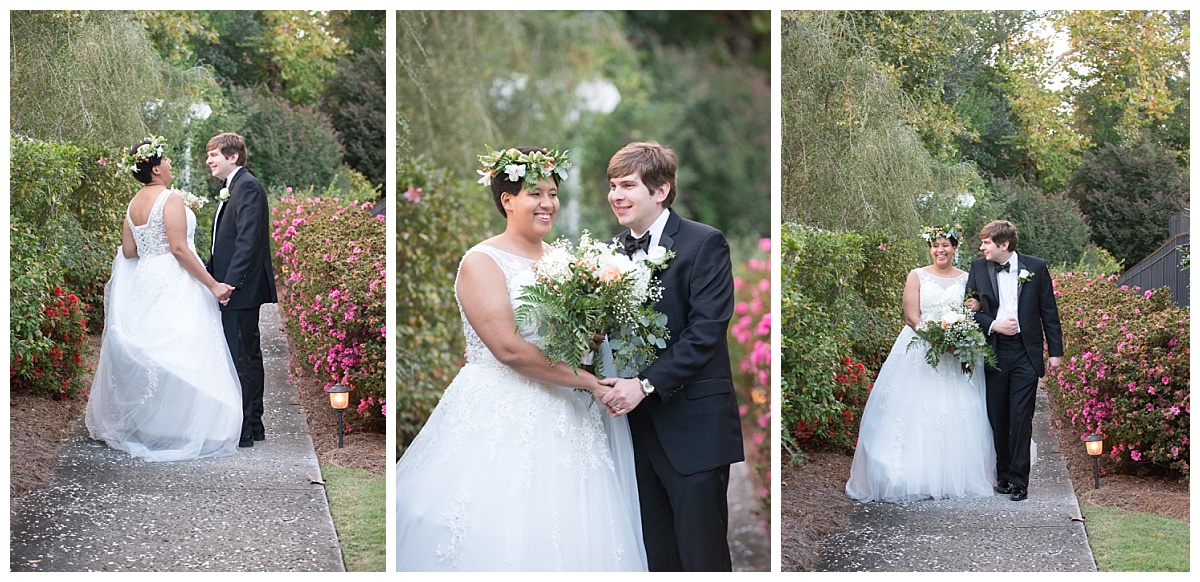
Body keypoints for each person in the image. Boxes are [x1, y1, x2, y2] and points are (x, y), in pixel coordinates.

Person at [394, 146, 647, 571]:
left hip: (567, 416)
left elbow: (570, 339)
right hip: (500, 410)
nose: (548, 203)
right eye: (535, 193)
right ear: (507, 200)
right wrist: (586, 380)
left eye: (552, 193)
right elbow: (508, 348)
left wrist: (591, 335)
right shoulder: (481, 261)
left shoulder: (565, 262)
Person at [597, 142, 744, 572]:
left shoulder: (705, 243)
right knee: (653, 554)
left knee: (702, 556)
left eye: (628, 185)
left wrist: (644, 385)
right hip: (632, 434)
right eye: (612, 186)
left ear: (660, 190)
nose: (616, 195)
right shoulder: (608, 253)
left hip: (694, 429)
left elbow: (705, 333)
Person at [85, 137, 243, 462]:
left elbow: (129, 251)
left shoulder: (133, 204)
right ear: (156, 168)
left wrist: (150, 252)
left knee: (158, 352)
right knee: (187, 348)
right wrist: (213, 285)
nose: (171, 164)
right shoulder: (169, 199)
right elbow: (180, 249)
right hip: (173, 281)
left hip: (145, 280)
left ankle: (155, 423)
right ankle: (190, 426)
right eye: (167, 160)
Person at [845, 226, 996, 502]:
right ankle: (909, 474)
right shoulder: (917, 275)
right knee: (913, 411)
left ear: (954, 248)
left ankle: (955, 474)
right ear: (930, 248)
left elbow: (973, 309)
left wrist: (964, 325)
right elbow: (912, 317)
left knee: (957, 410)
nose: (941, 250)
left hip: (955, 354)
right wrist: (938, 340)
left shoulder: (966, 279)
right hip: (920, 349)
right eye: (936, 245)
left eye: (946, 246)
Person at [965, 220, 1063, 502]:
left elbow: (1049, 311)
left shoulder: (1036, 266)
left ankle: (1020, 481)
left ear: (1003, 244)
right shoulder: (978, 268)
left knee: (1021, 418)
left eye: (986, 242)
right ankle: (1004, 475)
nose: (982, 246)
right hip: (994, 350)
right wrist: (994, 324)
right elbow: (969, 310)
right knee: (999, 417)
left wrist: (1055, 352)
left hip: (1025, 352)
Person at [206, 132, 277, 448]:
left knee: (242, 355)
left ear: (232, 157)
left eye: (214, 154)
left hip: (240, 289)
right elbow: (226, 241)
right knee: (245, 353)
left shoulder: (246, 186)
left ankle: (246, 428)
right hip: (234, 286)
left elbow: (247, 241)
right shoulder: (231, 187)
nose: (209, 160)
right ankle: (252, 424)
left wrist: (228, 285)